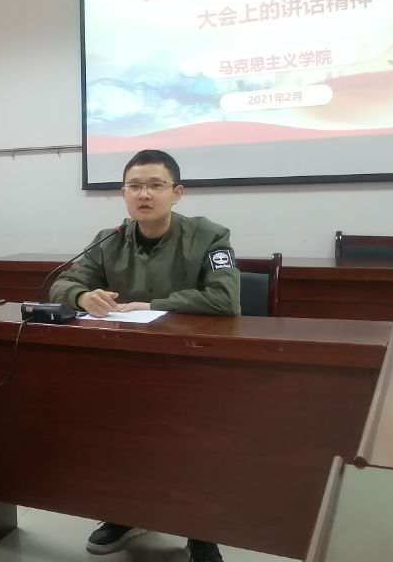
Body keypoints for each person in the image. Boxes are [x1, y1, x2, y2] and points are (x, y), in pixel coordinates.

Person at [49, 149, 239, 562]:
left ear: (177, 192)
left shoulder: (209, 236)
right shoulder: (109, 239)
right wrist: (82, 295)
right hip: (126, 365)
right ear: (123, 194)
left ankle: (200, 531)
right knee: (116, 433)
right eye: (134, 186)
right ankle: (124, 513)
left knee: (193, 442)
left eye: (155, 185)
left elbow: (225, 298)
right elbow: (61, 284)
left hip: (191, 365)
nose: (144, 194)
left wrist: (154, 304)